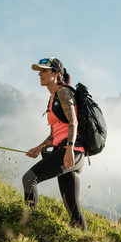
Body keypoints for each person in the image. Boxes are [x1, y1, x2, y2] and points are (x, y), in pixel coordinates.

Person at [22, 57, 87, 230]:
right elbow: (54, 134)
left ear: (56, 73)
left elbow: (73, 122)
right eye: (39, 70)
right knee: (73, 208)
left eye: (44, 70)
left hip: (72, 151)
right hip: (65, 151)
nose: (39, 74)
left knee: (29, 178)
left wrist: (69, 149)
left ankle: (29, 224)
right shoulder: (52, 99)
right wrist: (39, 147)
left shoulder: (64, 92)